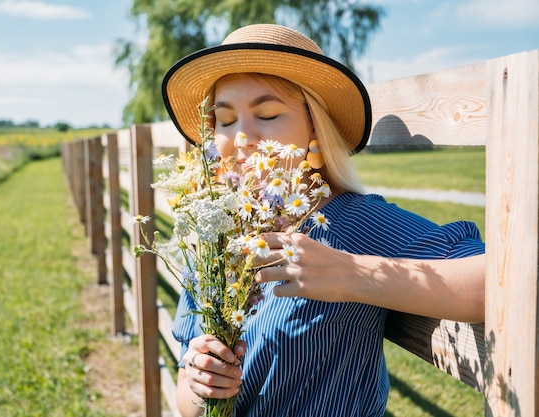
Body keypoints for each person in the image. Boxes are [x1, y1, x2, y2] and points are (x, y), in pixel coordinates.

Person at [161, 23, 485, 417]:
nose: (241, 137)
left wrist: (356, 274)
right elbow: (185, 396)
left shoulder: (355, 222)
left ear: (314, 125)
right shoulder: (214, 236)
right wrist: (200, 384)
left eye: (266, 114)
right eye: (225, 121)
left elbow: (498, 279)